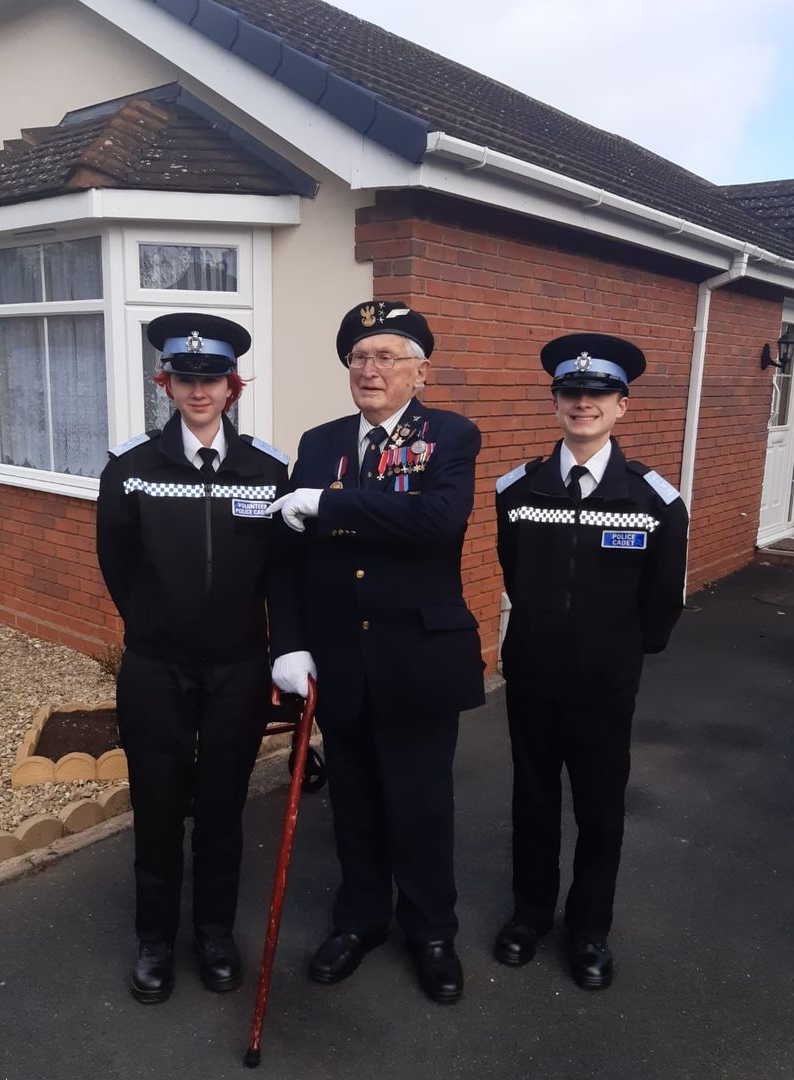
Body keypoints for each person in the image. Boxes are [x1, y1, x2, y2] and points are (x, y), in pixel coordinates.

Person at [268, 300, 484, 1006]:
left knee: (420, 804)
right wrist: (290, 643)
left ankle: (430, 931)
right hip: (342, 659)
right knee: (355, 802)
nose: (370, 369)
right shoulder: (321, 439)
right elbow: (293, 561)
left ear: (421, 370)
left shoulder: (448, 435)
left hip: (418, 655)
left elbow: (435, 520)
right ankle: (360, 920)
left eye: (388, 355)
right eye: (359, 357)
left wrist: (328, 503)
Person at [95, 313, 291, 1004]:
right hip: (156, 665)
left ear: (231, 386)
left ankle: (212, 931)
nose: (199, 390)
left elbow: (280, 572)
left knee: (222, 807)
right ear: (166, 382)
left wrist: (281, 651)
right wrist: (156, 623)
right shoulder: (132, 468)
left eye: (212, 378)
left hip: (239, 665)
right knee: (155, 802)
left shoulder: (266, 469)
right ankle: (155, 937)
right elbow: (117, 562)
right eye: (185, 377)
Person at [492, 333, 688, 991]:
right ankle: (529, 916)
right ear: (555, 402)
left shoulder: (655, 501)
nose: (583, 404)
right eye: (571, 393)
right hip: (534, 678)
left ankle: (589, 930)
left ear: (621, 405)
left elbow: (662, 599)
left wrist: (621, 650)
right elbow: (515, 571)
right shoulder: (517, 490)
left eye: (598, 394)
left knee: (600, 811)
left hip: (605, 684)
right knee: (534, 802)